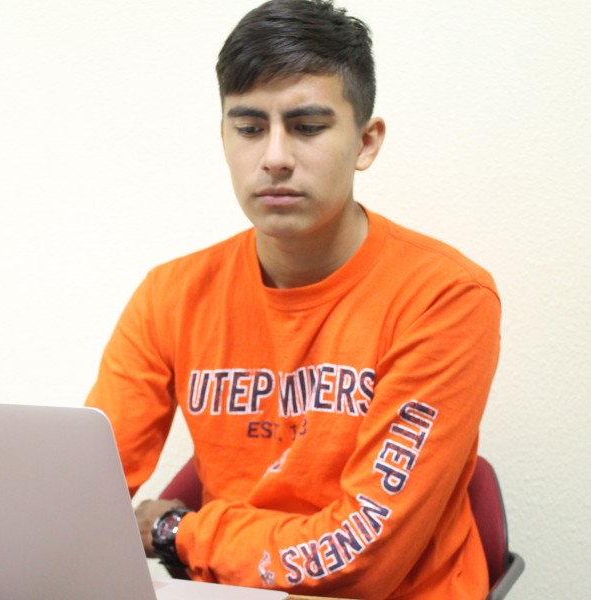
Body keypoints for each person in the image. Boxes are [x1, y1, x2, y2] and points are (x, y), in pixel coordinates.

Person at [85, 0, 500, 598]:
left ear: (366, 141)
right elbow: (82, 490)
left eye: (307, 127)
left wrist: (179, 533)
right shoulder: (170, 295)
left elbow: (361, 559)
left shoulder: (445, 297)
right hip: (239, 591)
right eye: (250, 128)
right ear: (224, 136)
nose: (275, 157)